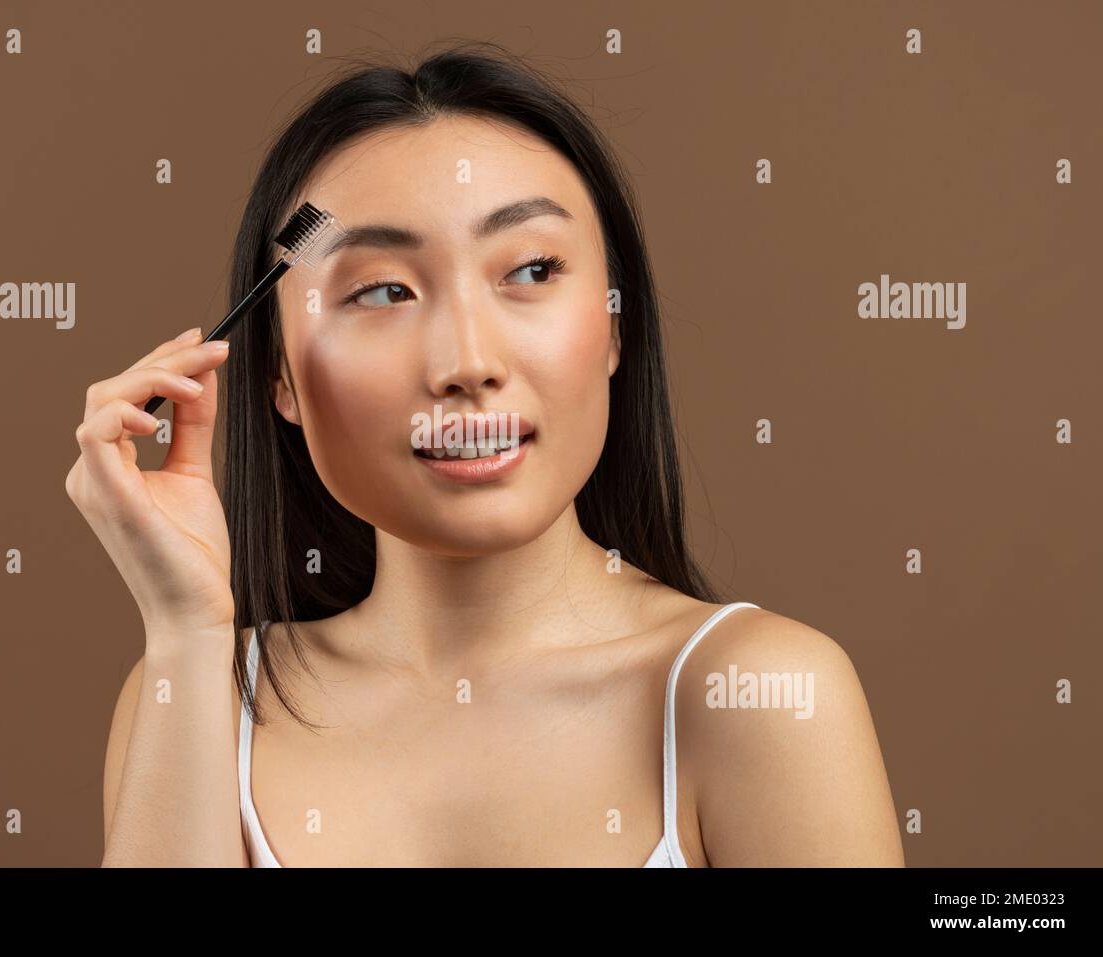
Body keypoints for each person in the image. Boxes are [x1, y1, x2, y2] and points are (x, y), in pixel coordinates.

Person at [67, 43, 905, 867]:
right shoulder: (196, 696)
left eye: (533, 269)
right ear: (278, 374)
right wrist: (185, 630)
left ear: (615, 324)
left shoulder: (759, 695)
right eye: (383, 290)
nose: (468, 362)